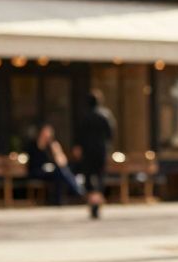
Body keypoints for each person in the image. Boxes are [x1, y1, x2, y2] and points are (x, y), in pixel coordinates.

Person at [75, 90, 116, 219]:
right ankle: (97, 200)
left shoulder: (85, 115)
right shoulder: (106, 115)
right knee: (100, 176)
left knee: (88, 177)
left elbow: (79, 134)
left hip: (87, 151)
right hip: (101, 150)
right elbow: (110, 133)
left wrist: (79, 148)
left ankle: (92, 200)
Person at [25, 123, 84, 206]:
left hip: (51, 172)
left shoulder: (51, 146)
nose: (47, 136)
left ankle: (59, 199)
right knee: (59, 172)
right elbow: (33, 164)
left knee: (60, 172)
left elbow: (63, 163)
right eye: (45, 133)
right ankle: (77, 191)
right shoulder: (33, 145)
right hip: (36, 171)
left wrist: (56, 151)